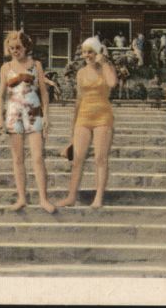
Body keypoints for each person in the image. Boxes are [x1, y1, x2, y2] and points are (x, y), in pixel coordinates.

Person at [0, 31, 55, 214]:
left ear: (26, 47)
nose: (15, 51)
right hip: (14, 113)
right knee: (18, 158)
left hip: (33, 112)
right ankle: (22, 197)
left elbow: (44, 93)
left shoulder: (36, 65)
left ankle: (43, 198)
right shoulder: (5, 67)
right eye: (11, 48)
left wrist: (47, 117)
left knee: (37, 157)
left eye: (18, 47)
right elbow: (0, 96)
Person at [57, 37, 118, 209]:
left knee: (100, 158)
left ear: (98, 52)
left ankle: (98, 197)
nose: (87, 55)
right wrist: (73, 127)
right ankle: (71, 197)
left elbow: (112, 83)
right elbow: (78, 99)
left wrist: (104, 62)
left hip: (102, 117)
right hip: (84, 116)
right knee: (77, 158)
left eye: (90, 51)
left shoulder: (107, 68)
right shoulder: (81, 73)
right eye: (84, 52)